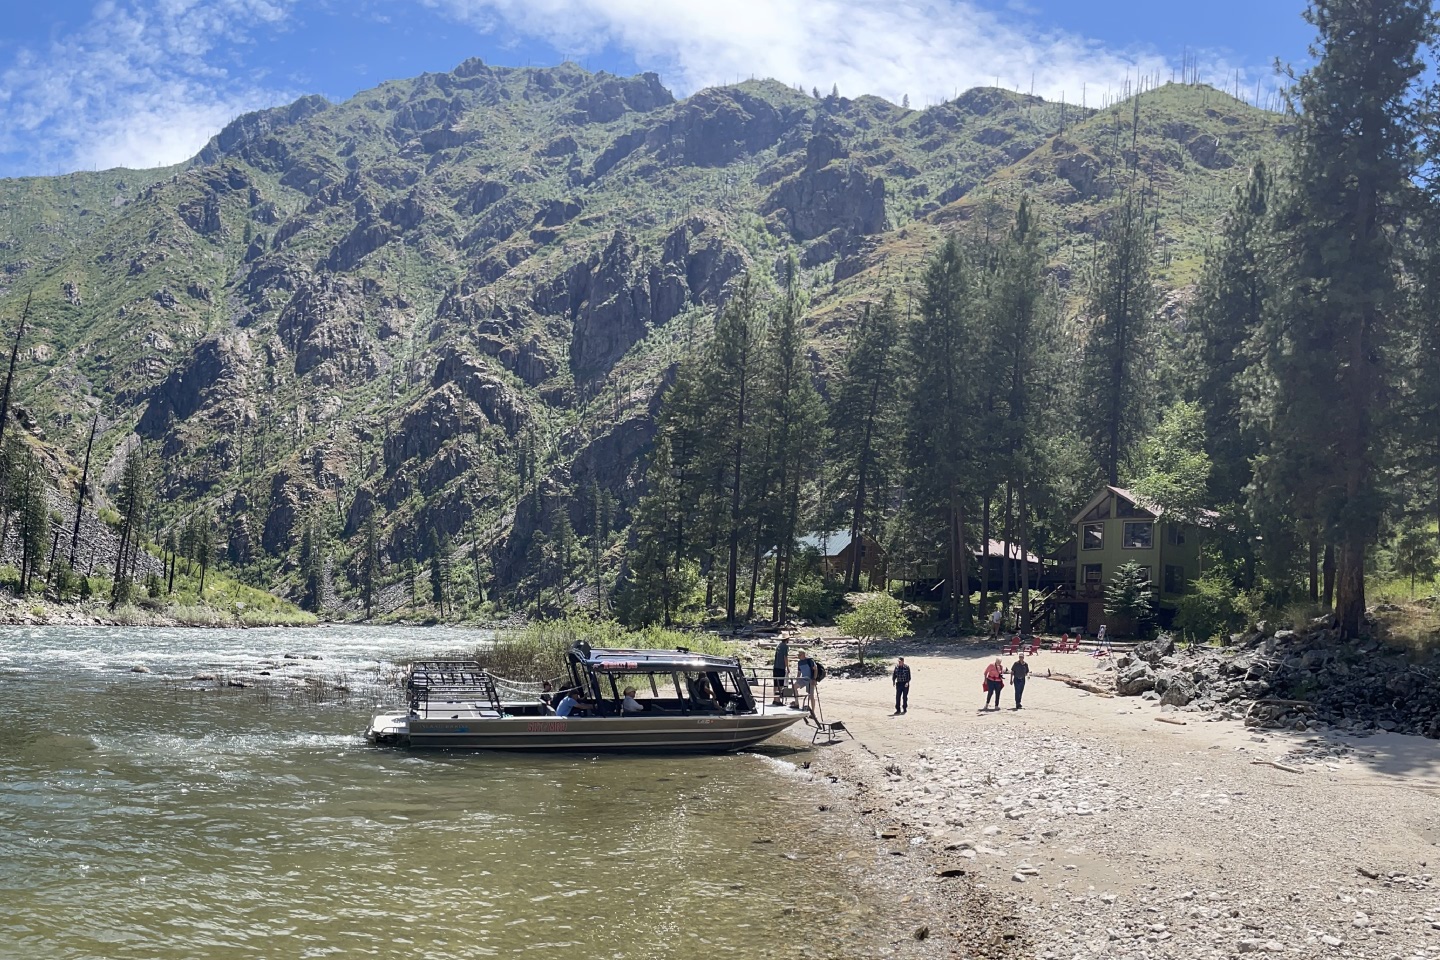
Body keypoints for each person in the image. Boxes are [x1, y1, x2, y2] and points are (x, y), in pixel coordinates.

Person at [772, 637, 790, 706]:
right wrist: (787, 667)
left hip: (775, 667)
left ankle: (775, 699)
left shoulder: (778, 645)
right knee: (780, 684)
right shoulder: (785, 647)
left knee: (776, 684)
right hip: (781, 667)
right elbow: (785, 657)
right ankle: (778, 700)